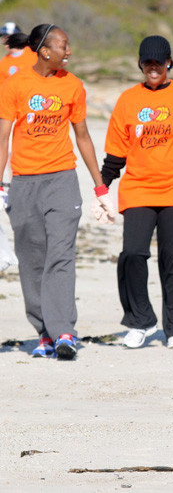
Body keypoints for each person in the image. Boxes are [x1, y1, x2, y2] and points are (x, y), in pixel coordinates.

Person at [0, 23, 114, 360]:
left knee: (61, 255)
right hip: (23, 183)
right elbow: (3, 138)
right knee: (32, 260)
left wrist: (100, 185)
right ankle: (44, 333)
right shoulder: (14, 84)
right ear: (44, 50)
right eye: (63, 46)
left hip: (62, 180)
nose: (69, 51)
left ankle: (65, 330)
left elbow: (82, 137)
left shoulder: (73, 86)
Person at [97, 35, 173, 350]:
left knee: (172, 258)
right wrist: (102, 188)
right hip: (138, 188)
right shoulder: (127, 100)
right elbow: (115, 155)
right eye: (147, 62)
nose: (153, 67)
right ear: (140, 64)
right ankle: (141, 321)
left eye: (158, 62)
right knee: (132, 254)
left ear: (169, 63)